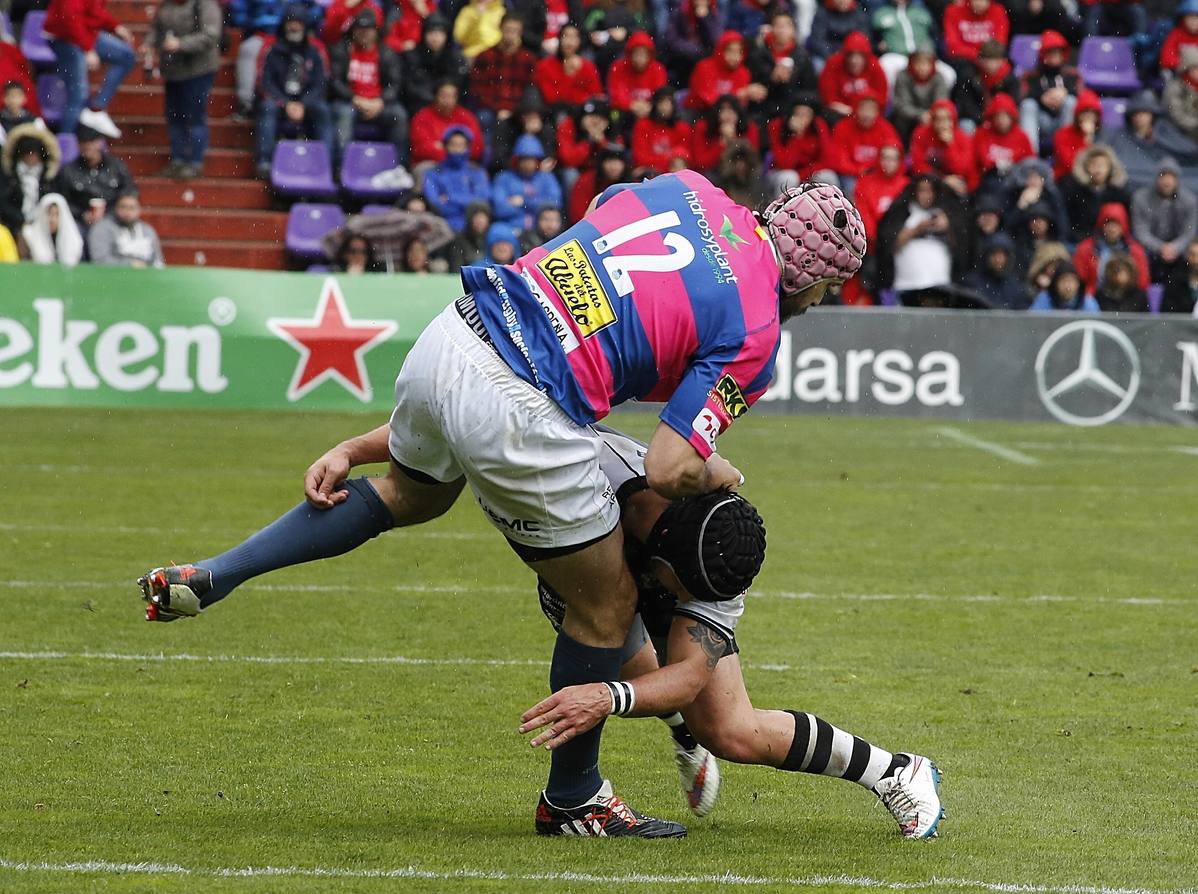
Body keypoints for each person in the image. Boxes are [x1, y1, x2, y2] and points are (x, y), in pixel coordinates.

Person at [138, 173, 867, 839]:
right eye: (829, 288)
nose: (821, 302)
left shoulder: (689, 188)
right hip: (521, 406)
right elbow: (667, 464)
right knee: (607, 604)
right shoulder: (757, 328)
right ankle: (575, 798)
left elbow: (604, 209)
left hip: (456, 333)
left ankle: (219, 573)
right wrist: (717, 475)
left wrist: (361, 446)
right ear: (810, 274)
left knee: (407, 495)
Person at [522, 427, 945, 840]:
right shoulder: (595, 476)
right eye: (688, 593)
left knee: (729, 730)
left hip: (664, 555)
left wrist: (607, 697)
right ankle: (669, 740)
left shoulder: (720, 549)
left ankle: (894, 771)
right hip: (607, 539)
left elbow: (689, 675)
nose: (691, 606)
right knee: (614, 652)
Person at [254, 5, 335, 179]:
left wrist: (303, 104)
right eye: (290, 22)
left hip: (307, 101)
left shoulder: (315, 49)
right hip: (279, 99)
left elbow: (321, 82)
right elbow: (264, 82)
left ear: (305, 26)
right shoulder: (271, 47)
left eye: (298, 23)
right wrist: (285, 103)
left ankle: (326, 163)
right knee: (267, 108)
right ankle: (264, 162)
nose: (294, 27)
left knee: (323, 110)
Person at [146, 0, 222, 179]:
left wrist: (181, 44)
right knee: (174, 117)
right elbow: (157, 29)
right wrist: (149, 43)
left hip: (198, 69)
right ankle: (178, 159)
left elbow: (211, 35)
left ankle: (195, 161)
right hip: (172, 69)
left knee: (195, 117)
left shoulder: (204, 4)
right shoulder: (167, 5)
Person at [44, 0, 136, 137]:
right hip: (64, 37)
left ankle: (97, 108)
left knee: (126, 56)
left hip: (86, 32)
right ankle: (66, 144)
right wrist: (87, 49)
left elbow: (95, 11)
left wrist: (116, 27)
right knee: (78, 94)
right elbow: (70, 18)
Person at [876, 173, 969, 305]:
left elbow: (964, 248)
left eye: (931, 190)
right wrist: (916, 230)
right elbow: (888, 246)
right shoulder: (901, 211)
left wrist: (949, 227)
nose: (927, 195)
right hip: (906, 287)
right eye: (922, 190)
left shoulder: (945, 214)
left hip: (940, 289)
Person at [329, 11, 408, 165]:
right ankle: (342, 167)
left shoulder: (386, 53)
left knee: (399, 115)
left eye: (369, 29)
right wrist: (354, 98)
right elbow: (335, 81)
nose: (364, 33)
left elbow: (395, 83)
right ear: (353, 31)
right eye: (360, 29)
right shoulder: (342, 50)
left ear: (376, 32)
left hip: (379, 103)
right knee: (344, 114)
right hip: (350, 101)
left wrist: (381, 102)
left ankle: (399, 167)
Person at [467, 14, 537, 145]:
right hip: (490, 108)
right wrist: (498, 108)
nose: (510, 34)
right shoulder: (485, 56)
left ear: (520, 32)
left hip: (517, 110)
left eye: (515, 30)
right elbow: (478, 89)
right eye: (508, 29)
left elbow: (530, 90)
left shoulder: (528, 59)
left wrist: (513, 109)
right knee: (483, 118)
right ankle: (485, 159)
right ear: (500, 28)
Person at [52, 124, 134, 229]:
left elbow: (129, 191)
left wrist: (112, 212)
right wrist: (81, 214)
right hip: (79, 222)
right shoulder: (68, 171)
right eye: (83, 143)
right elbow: (61, 199)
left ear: (99, 143)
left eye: (91, 142)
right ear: (78, 145)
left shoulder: (116, 166)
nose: (88, 147)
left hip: (114, 219)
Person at [1131, 156, 1198, 283]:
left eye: (1171, 176)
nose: (1167, 181)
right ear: (1156, 178)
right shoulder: (1140, 198)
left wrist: (1175, 247)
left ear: (1177, 179)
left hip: (1180, 253)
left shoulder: (1190, 201)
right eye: (1163, 176)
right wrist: (1160, 247)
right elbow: (1140, 230)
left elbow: (1190, 231)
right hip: (1150, 252)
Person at [1019, 29, 1081, 155]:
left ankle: (1065, 152)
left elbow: (1082, 97)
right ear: (1043, 55)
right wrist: (1042, 97)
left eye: (1058, 52)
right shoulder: (1031, 75)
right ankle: (1030, 154)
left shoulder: (1072, 75)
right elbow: (1022, 96)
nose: (1055, 56)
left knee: (1071, 102)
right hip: (1040, 121)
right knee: (1028, 105)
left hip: (1062, 120)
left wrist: (1065, 93)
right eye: (1050, 52)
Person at [745, 11, 817, 121]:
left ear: (793, 31)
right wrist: (772, 79)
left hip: (791, 110)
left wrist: (790, 83)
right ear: (771, 29)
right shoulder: (758, 54)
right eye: (778, 25)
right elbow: (752, 84)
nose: (782, 30)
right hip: (762, 109)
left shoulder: (802, 57)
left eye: (787, 25)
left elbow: (810, 90)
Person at [828, 92, 901, 196]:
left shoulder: (886, 129)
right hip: (851, 176)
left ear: (878, 112)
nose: (867, 114)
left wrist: (876, 171)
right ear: (856, 109)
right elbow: (838, 159)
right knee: (851, 187)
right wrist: (859, 171)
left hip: (879, 174)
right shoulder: (842, 128)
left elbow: (895, 154)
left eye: (871, 109)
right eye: (863, 109)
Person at [1058, 143, 1131, 244]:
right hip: (1079, 241)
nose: (1098, 169)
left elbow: (1126, 224)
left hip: (1113, 242)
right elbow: (1067, 221)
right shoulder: (1073, 190)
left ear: (1110, 168)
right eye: (1093, 164)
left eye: (1102, 165)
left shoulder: (1120, 193)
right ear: (1085, 167)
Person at [1072, 202, 1150, 295]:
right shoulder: (1085, 249)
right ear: (1101, 225)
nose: (1112, 229)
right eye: (1109, 224)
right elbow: (1079, 279)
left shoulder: (1136, 251)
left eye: (1116, 224)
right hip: (1094, 297)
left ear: (1124, 226)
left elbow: (1142, 283)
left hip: (1127, 299)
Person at [422, 126, 489, 232]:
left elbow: (481, 202)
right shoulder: (433, 173)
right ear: (445, 146)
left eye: (461, 145)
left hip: (473, 225)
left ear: (468, 147)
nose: (457, 150)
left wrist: (449, 198)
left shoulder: (476, 171)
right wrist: (467, 201)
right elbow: (436, 204)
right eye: (453, 145)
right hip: (443, 225)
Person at [490, 134, 562, 232]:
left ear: (537, 161)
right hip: (512, 230)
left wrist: (524, 202)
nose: (528, 164)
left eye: (531, 160)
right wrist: (535, 208)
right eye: (524, 159)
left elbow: (555, 203)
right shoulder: (504, 178)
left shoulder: (547, 178)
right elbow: (499, 209)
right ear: (517, 160)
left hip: (542, 231)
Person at [399, 14, 469, 113]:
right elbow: (409, 87)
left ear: (447, 35)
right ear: (424, 34)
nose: (435, 37)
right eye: (431, 32)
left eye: (440, 33)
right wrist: (435, 100)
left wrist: (444, 99)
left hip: (450, 107)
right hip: (419, 106)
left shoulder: (456, 58)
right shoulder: (411, 57)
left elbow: (460, 87)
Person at [764, 94, 832, 193]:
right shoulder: (777, 126)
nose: (802, 119)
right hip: (780, 173)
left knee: (828, 176)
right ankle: (783, 208)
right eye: (798, 114)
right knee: (789, 177)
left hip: (809, 172)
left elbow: (827, 159)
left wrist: (803, 175)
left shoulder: (818, 126)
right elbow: (784, 164)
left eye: (806, 115)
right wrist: (796, 136)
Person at [408, 80, 483, 169]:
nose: (448, 100)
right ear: (435, 96)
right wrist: (458, 148)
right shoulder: (422, 117)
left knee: (478, 172)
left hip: (462, 163)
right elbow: (420, 149)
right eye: (443, 96)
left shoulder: (467, 117)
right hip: (432, 164)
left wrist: (442, 147)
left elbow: (477, 148)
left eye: (452, 96)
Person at [816, 30, 887, 123]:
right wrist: (852, 111)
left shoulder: (875, 66)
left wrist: (862, 112)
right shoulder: (833, 64)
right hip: (841, 115)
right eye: (851, 55)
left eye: (859, 56)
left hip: (867, 116)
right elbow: (828, 98)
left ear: (866, 57)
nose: (854, 61)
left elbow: (881, 98)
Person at [0, 123, 59, 234]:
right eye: (27, 154)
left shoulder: (49, 177)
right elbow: (4, 204)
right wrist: (21, 222)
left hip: (44, 224)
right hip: (14, 225)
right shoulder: (9, 176)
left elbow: (53, 201)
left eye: (34, 154)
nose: (31, 158)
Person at [909, 98, 977, 195]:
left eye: (947, 119)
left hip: (957, 183)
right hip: (931, 181)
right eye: (939, 119)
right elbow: (917, 166)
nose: (943, 124)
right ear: (933, 120)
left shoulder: (962, 138)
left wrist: (950, 145)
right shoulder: (921, 133)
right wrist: (943, 179)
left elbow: (962, 170)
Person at [951, 38, 1018, 131]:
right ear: (980, 60)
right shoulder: (969, 76)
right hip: (975, 120)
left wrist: (995, 120)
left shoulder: (1009, 79)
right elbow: (966, 105)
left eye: (996, 60)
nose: (992, 64)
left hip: (1001, 121)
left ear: (1003, 61)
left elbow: (1012, 104)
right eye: (988, 59)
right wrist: (983, 120)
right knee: (966, 125)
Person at [533, 23, 603, 112]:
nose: (569, 42)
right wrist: (569, 75)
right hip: (555, 113)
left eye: (574, 37)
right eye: (565, 36)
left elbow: (596, 96)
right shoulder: (545, 65)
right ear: (559, 39)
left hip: (583, 113)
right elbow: (551, 98)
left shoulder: (588, 66)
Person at [685, 31, 760, 114]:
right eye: (730, 51)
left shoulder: (743, 73)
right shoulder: (704, 67)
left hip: (728, 118)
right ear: (720, 50)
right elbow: (707, 99)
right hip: (700, 113)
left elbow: (740, 107)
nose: (735, 56)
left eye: (739, 52)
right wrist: (738, 94)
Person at [972, 93, 1034, 191]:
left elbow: (1030, 161)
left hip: (1015, 181)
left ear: (1011, 116)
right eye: (998, 116)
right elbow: (980, 161)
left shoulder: (1021, 136)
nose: (1001, 120)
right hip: (989, 180)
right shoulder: (982, 134)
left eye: (1005, 116)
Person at [88, 189, 164, 267]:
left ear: (139, 209)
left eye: (132, 208)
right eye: (123, 207)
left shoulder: (148, 230)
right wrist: (130, 264)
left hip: (146, 276)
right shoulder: (102, 228)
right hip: (114, 275)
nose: (127, 212)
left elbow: (158, 261)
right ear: (115, 208)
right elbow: (99, 260)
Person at [891, 44, 950, 142]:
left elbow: (941, 103)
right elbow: (901, 105)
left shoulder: (938, 78)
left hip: (932, 118)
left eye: (926, 63)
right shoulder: (903, 76)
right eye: (919, 63)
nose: (922, 67)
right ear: (912, 63)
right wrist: (920, 115)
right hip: (908, 119)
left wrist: (931, 115)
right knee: (899, 121)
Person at [852, 142, 908, 244]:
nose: (889, 163)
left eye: (893, 159)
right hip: (871, 242)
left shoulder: (907, 185)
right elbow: (863, 212)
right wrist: (874, 238)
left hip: (899, 242)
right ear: (879, 159)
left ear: (899, 161)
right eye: (885, 158)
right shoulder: (864, 183)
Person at [690, 95, 759, 174]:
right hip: (713, 172)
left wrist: (733, 139)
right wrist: (722, 143)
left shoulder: (749, 128)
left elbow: (751, 159)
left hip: (741, 174)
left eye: (731, 110)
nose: (728, 114)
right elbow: (701, 163)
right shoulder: (703, 127)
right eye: (723, 110)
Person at [608, 31, 669, 121]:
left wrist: (650, 106)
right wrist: (631, 105)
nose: (640, 58)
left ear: (650, 55)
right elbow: (616, 95)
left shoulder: (658, 69)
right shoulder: (618, 67)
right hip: (625, 113)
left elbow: (660, 95)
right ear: (630, 54)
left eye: (644, 54)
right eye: (637, 53)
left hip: (651, 112)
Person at [631, 87, 691, 177]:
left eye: (669, 102)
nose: (665, 107)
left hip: (674, 174)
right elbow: (640, 158)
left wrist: (660, 164)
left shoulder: (682, 127)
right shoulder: (642, 125)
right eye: (661, 102)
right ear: (655, 104)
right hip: (650, 174)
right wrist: (669, 160)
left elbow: (683, 159)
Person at [943, 0, 1009, 76]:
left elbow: (999, 41)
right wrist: (978, 56)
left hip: (991, 57)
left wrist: (989, 57)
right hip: (966, 60)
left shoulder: (998, 11)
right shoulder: (954, 11)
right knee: (965, 71)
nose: (979, 3)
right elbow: (953, 45)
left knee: (1004, 71)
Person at [662, 0, 722, 85]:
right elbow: (671, 39)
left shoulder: (713, 11)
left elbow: (716, 40)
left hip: (704, 55)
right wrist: (694, 49)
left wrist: (705, 18)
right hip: (683, 57)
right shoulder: (680, 10)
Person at [962, 232, 1027, 309]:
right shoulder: (972, 283)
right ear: (986, 256)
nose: (998, 260)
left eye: (1001, 255)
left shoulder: (1016, 287)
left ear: (1008, 258)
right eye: (994, 254)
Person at [1051, 90, 1102, 182]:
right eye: (1084, 112)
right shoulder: (1062, 134)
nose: (1088, 116)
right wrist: (1086, 139)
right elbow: (1069, 164)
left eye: (1092, 113)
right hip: (1068, 177)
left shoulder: (1103, 134)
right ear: (1077, 115)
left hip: (1096, 178)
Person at [21, 191, 84, 265]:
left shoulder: (74, 239)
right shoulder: (28, 236)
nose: (52, 219)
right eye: (49, 213)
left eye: (56, 214)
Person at [807, 0, 869, 67]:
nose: (842, 1)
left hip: (853, 55)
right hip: (827, 55)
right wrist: (832, 56)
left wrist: (849, 56)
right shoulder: (822, 14)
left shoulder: (859, 14)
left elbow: (863, 39)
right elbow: (817, 40)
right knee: (818, 65)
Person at [440, 198, 490, 271]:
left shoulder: (491, 238)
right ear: (470, 219)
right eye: (477, 217)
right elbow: (456, 267)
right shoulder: (459, 240)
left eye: (483, 217)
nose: (480, 221)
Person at [1029, 262, 1099, 312]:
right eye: (1063, 281)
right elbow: (1033, 324)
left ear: (1078, 284)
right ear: (1055, 284)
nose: (1067, 286)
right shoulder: (1044, 299)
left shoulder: (1088, 302)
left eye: (1071, 281)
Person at [1163, 47, 1198, 143]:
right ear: (1187, 69)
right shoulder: (1175, 88)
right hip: (1180, 133)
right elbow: (1176, 115)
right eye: (1195, 68)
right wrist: (1195, 123)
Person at [1162, 237, 1198, 314]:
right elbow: (1168, 312)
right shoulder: (1175, 281)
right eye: (1193, 255)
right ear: (1187, 256)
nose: (1196, 260)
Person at [1161, 0, 1198, 72]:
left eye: (1197, 18)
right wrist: (1185, 64)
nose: (1194, 22)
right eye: (1190, 17)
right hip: (1179, 75)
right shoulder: (1176, 35)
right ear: (1183, 18)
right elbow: (1166, 58)